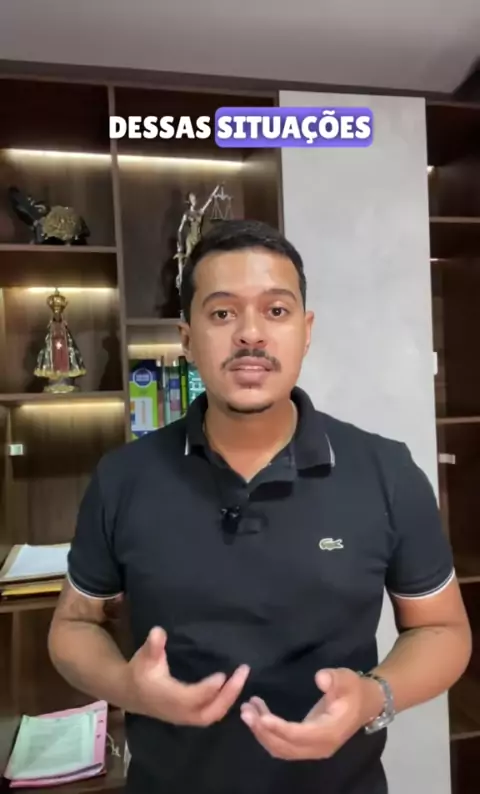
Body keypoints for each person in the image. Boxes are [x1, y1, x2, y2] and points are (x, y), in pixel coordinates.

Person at [48, 219, 472, 794]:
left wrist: (374, 696)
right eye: (223, 313)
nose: (251, 334)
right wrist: (128, 688)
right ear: (187, 337)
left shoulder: (386, 472)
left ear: (306, 330)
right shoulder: (124, 477)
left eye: (276, 311)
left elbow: (444, 630)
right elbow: (73, 626)